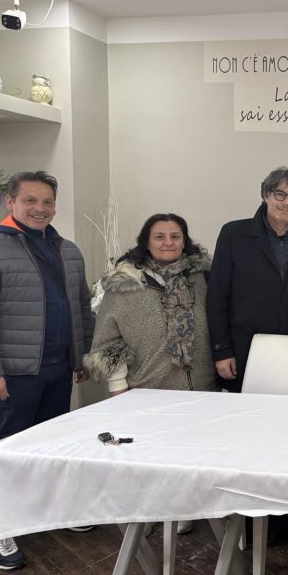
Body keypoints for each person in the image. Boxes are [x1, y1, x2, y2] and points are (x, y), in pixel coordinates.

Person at [0, 170, 94, 570]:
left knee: (51, 446)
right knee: (7, 451)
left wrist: (80, 356)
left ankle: (48, 511)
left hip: (58, 369)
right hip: (15, 373)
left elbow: (81, 308)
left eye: (47, 201)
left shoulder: (67, 250)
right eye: (30, 200)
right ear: (11, 203)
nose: (40, 208)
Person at [84, 213, 215, 535]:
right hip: (146, 386)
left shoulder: (202, 277)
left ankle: (182, 508)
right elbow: (108, 340)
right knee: (147, 454)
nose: (168, 242)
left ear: (184, 241)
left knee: (189, 452)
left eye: (175, 236)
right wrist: (117, 386)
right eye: (159, 236)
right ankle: (146, 510)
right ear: (146, 241)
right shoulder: (124, 284)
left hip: (199, 384)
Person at [207, 167, 288, 393]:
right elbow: (217, 297)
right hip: (244, 349)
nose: (287, 202)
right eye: (280, 194)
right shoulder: (233, 234)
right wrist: (222, 351)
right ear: (266, 195)